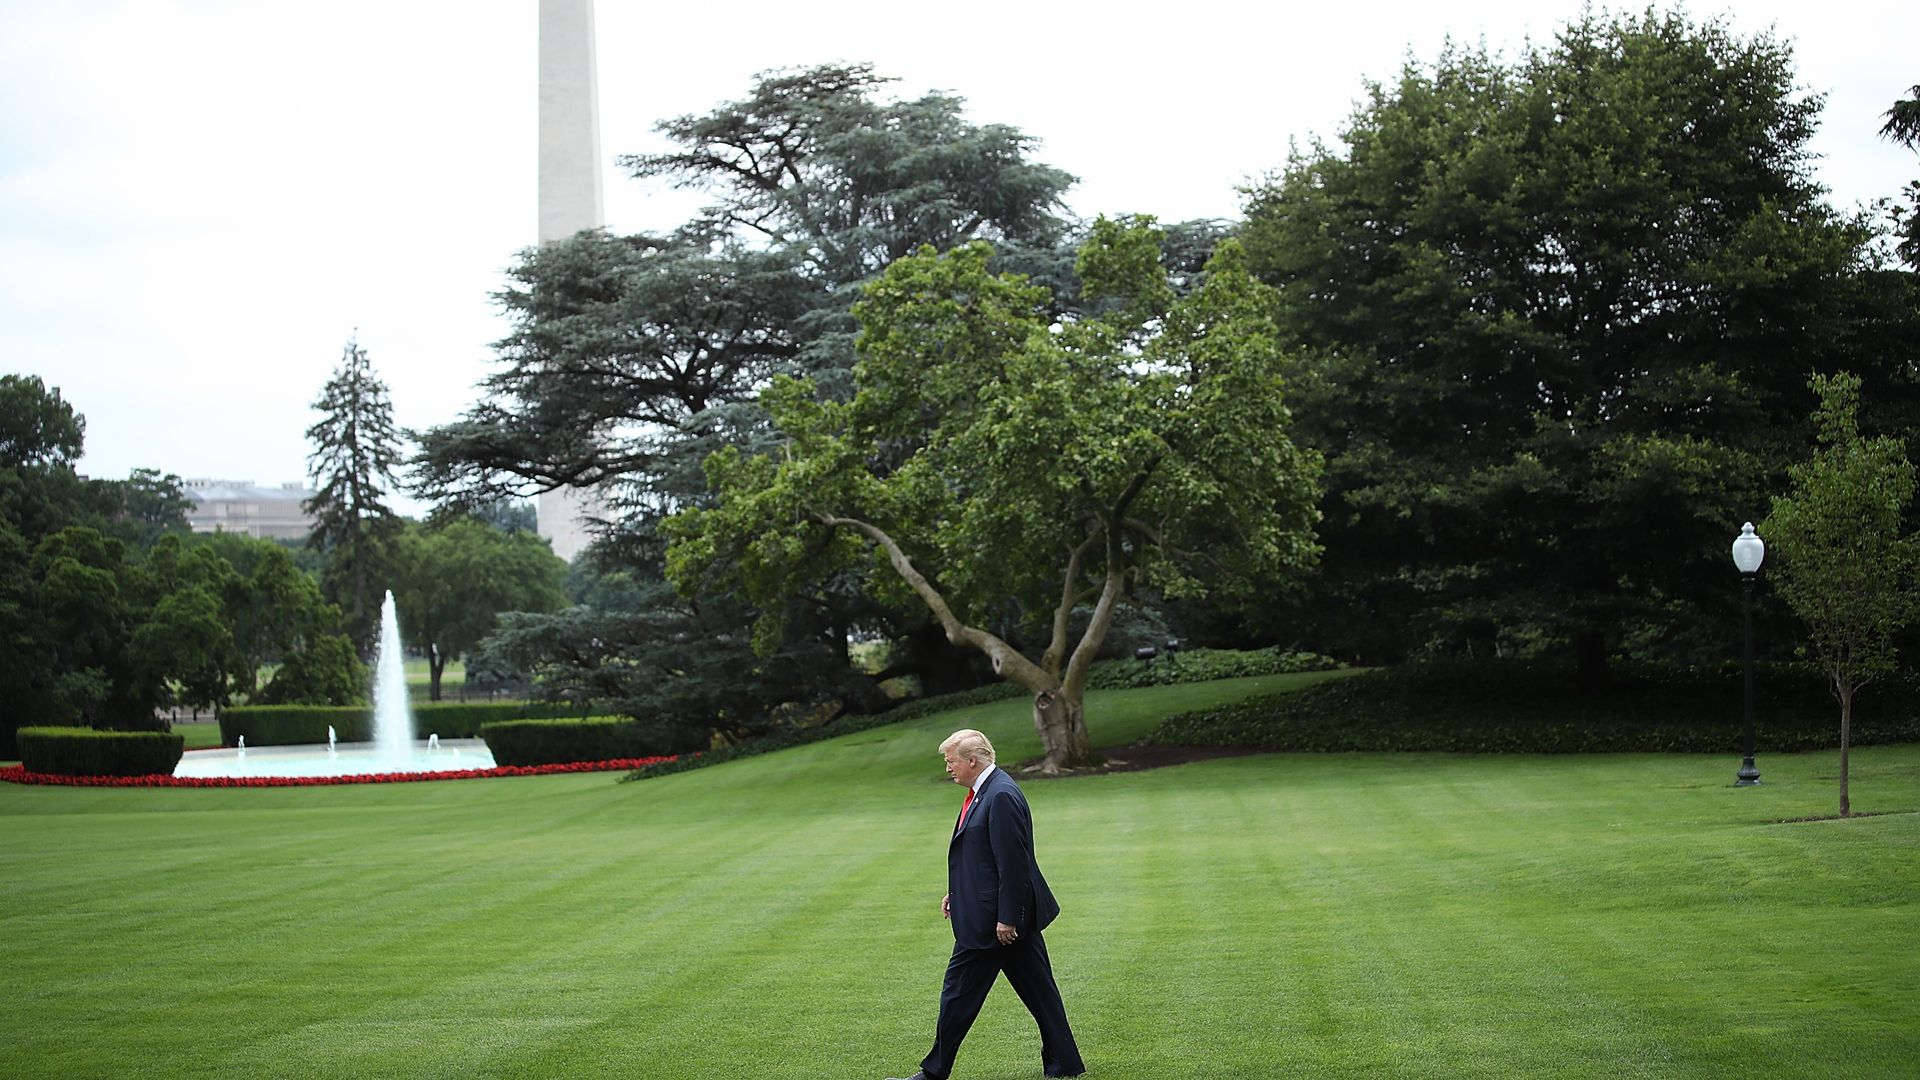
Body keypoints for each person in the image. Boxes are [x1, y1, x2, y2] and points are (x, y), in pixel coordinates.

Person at [888, 729, 1086, 1080]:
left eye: (951, 761)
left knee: (957, 996)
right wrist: (958, 893)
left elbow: (1014, 864)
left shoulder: (1001, 795)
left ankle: (933, 1072)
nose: (948, 768)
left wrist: (1007, 918)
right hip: (993, 914)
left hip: (994, 924)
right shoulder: (983, 793)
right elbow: (982, 858)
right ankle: (1065, 1064)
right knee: (1042, 995)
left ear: (972, 761)